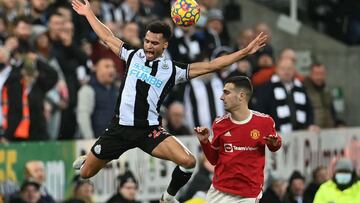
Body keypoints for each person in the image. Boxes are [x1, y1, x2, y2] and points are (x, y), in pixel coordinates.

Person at [71, 1, 267, 202]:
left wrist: (243, 52)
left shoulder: (173, 70)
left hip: (149, 130)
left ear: (165, 45)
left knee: (189, 161)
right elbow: (106, 36)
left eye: (154, 43)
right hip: (119, 129)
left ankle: (168, 197)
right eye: (147, 41)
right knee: (86, 174)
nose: (148, 46)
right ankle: (94, 157)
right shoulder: (132, 55)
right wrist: (87, 13)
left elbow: (211, 65)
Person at [194, 76, 282, 203]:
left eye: (226, 92)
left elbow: (274, 146)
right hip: (219, 191)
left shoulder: (264, 122)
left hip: (248, 194)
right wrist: (204, 141)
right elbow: (213, 159)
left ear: (241, 96)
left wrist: (275, 143)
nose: (221, 97)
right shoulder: (219, 124)